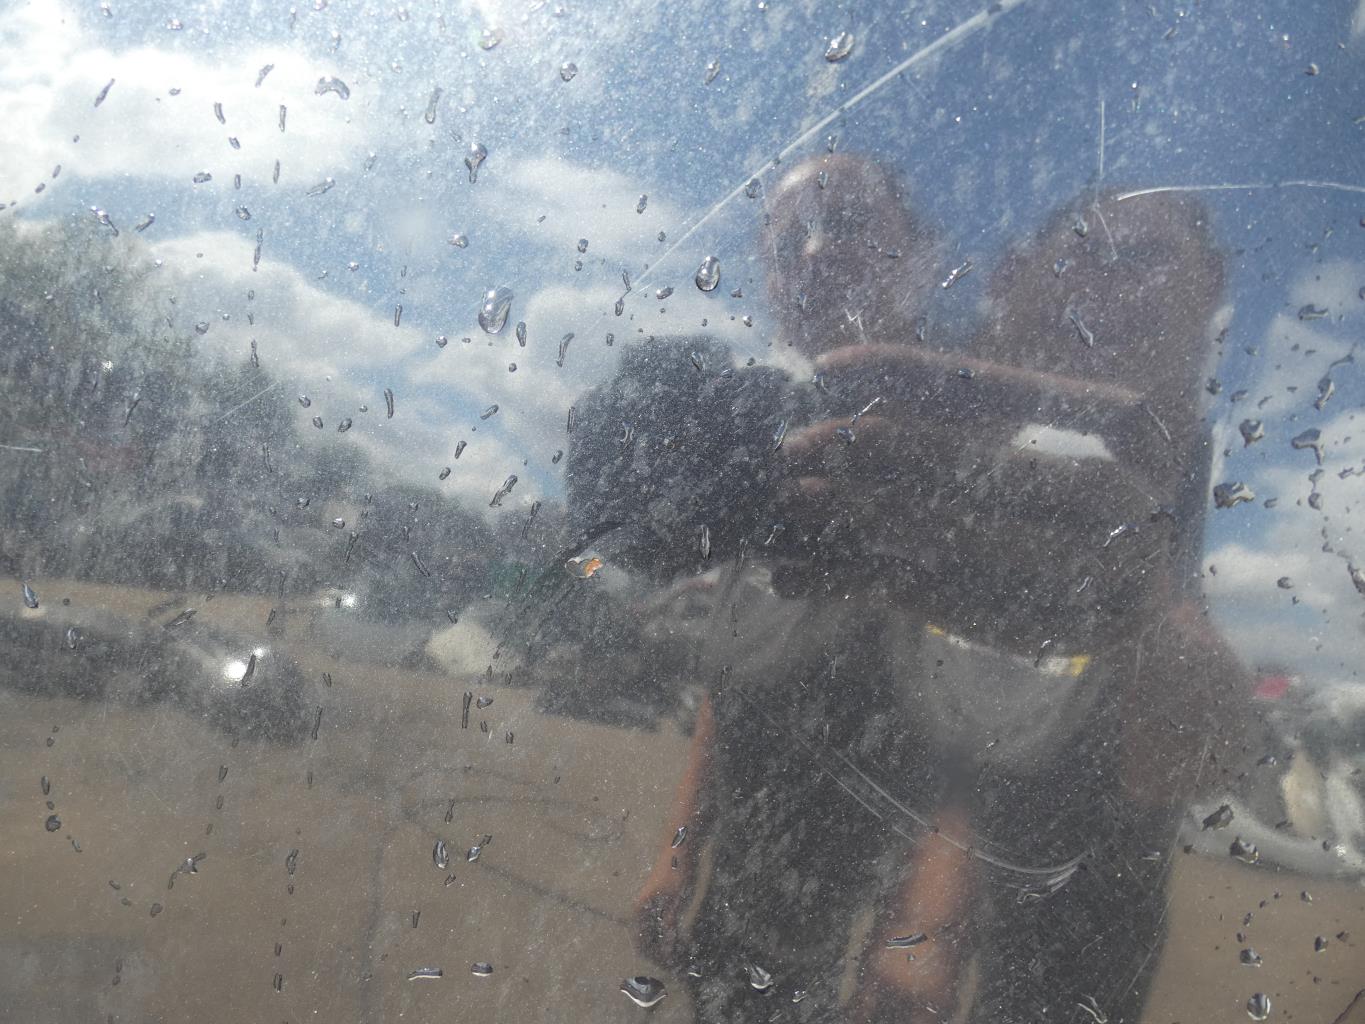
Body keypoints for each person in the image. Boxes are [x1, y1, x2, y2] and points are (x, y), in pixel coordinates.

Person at [564, 153, 1251, 1023]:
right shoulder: (783, 451)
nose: (815, 254)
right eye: (786, 240)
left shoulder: (977, 460)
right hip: (765, 858)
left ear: (926, 259)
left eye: (849, 225)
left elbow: (975, 720)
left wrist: (925, 923)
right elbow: (731, 679)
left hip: (989, 880)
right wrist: (677, 848)